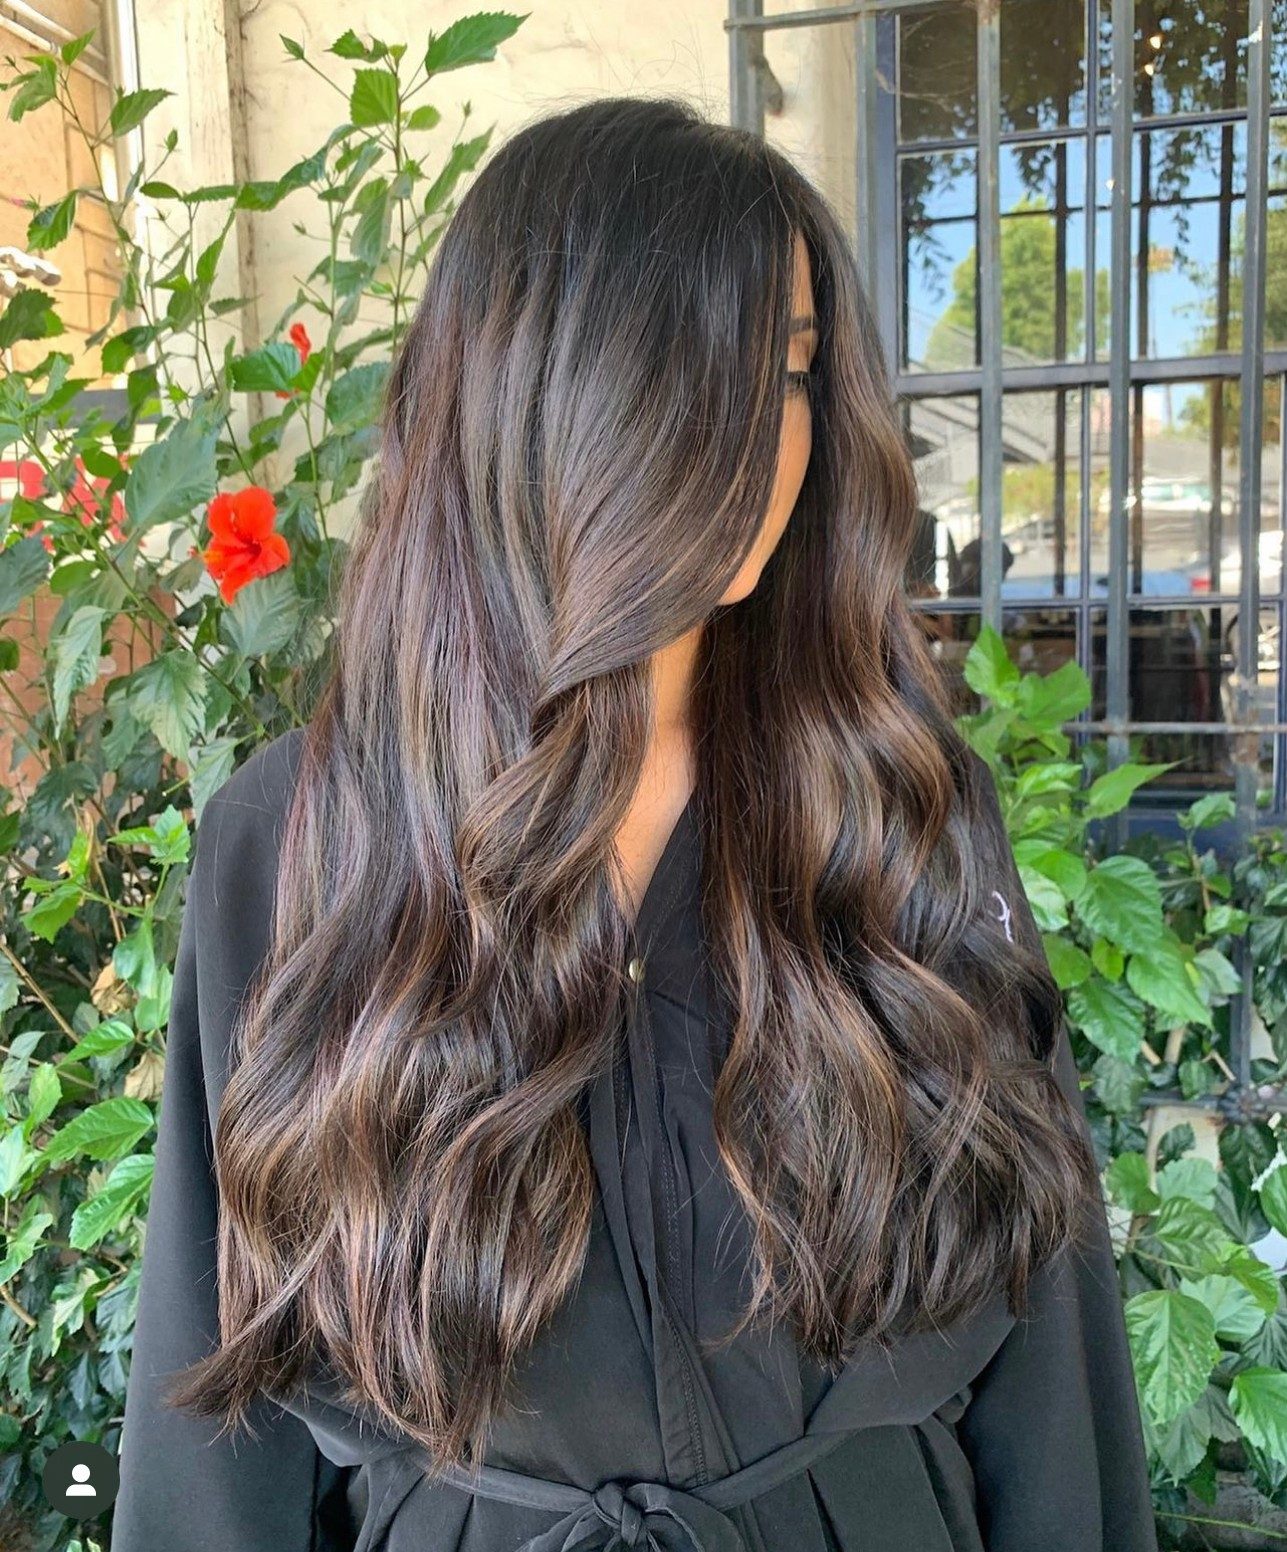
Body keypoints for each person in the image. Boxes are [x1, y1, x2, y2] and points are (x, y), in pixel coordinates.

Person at [112, 95, 1158, 1552]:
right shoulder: (296, 843)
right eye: (693, 374)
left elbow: (1052, 1364)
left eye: (789, 371)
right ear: (538, 396)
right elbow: (216, 1421)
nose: (765, 440)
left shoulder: (896, 804)